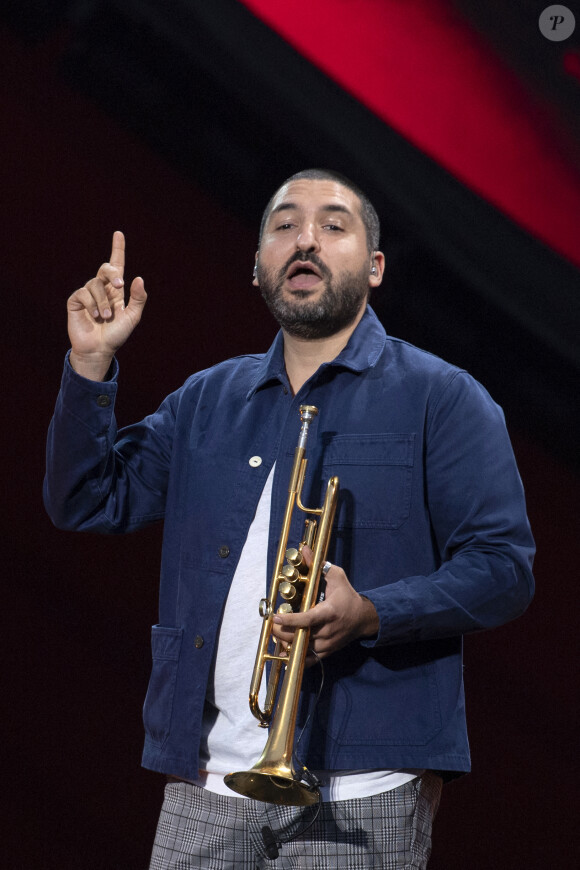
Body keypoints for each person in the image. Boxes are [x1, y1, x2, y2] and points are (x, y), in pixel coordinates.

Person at [44, 169, 535, 869]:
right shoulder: (207, 399)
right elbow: (86, 498)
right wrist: (90, 364)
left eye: (333, 225)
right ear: (256, 270)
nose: (305, 239)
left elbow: (504, 569)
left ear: (375, 268)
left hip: (363, 787)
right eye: (284, 225)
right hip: (208, 781)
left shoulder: (444, 398)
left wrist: (371, 612)